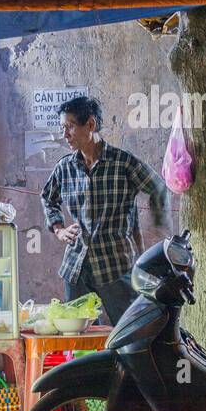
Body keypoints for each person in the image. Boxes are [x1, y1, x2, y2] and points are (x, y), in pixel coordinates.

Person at [41, 95, 168, 326]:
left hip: (114, 265)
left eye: (69, 127)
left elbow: (158, 188)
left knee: (128, 330)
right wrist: (58, 229)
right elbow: (48, 198)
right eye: (62, 128)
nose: (64, 135)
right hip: (77, 266)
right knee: (77, 334)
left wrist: (157, 226)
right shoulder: (65, 167)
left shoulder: (123, 163)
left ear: (90, 125)